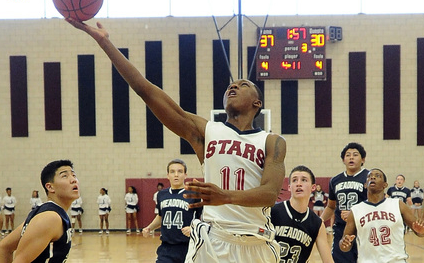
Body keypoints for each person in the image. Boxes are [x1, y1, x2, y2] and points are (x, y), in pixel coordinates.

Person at [68, 20, 285, 263]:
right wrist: (105, 43)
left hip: (257, 243)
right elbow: (146, 91)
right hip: (213, 241)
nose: (233, 86)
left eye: (243, 85)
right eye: (230, 86)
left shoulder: (271, 141)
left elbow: (270, 193)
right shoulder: (206, 131)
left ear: (257, 103)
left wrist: (226, 196)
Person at [0, 159, 79, 263]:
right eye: (65, 176)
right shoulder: (50, 217)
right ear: (50, 187)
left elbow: (4, 247)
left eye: (74, 175)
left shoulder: (47, 212)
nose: (73, 180)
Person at [339, 169, 424, 263]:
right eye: (369, 176)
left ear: (385, 185)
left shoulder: (398, 204)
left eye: (377, 176)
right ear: (365, 185)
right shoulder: (355, 210)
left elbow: (421, 232)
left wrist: (422, 230)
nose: (372, 177)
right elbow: (344, 245)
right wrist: (344, 244)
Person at [143, 159, 202, 263]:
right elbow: (161, 216)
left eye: (180, 172)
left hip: (188, 247)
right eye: (172, 172)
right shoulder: (161, 194)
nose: (176, 175)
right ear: (167, 175)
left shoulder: (194, 194)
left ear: (185, 175)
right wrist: (149, 228)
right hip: (166, 248)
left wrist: (193, 228)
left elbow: (203, 218)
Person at [271, 166, 333, 263]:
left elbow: (328, 260)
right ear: (289, 187)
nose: (299, 184)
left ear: (313, 187)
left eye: (304, 180)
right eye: (294, 180)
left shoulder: (317, 224)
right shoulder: (273, 212)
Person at [320, 143, 369, 263]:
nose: (351, 157)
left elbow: (377, 206)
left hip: (364, 229)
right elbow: (331, 206)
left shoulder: (369, 178)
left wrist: (354, 214)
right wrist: (319, 221)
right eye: (348, 155)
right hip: (341, 230)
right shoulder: (335, 180)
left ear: (363, 160)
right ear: (343, 160)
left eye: (355, 155)